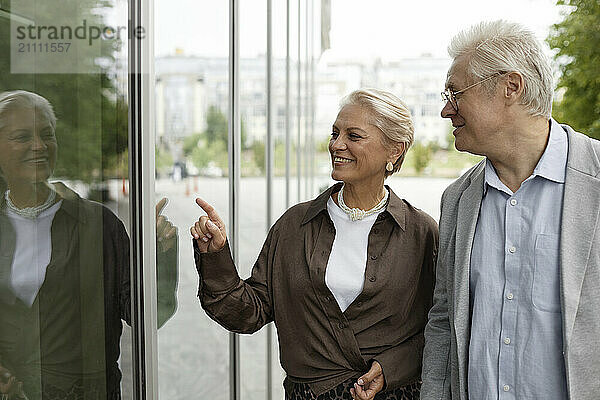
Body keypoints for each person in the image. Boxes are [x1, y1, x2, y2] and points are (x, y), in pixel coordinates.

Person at [191, 88, 439, 400]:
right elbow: (247, 313)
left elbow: (440, 327)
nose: (337, 144)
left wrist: (391, 368)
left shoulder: (421, 233)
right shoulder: (295, 225)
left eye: (354, 135)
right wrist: (216, 255)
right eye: (335, 133)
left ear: (394, 150)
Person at [421, 20, 600, 400]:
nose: (445, 111)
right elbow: (443, 320)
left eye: (455, 93)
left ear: (510, 87)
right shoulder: (457, 199)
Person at [0, 90, 178, 399]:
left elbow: (148, 315)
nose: (39, 146)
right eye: (21, 137)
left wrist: (160, 255)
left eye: (47, 135)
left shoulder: (99, 225)